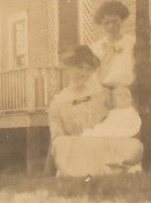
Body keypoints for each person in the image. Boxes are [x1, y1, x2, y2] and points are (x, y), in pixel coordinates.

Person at [46, 47, 143, 176]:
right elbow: (57, 138)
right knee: (61, 145)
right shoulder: (58, 101)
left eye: (88, 69)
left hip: (102, 145)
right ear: (69, 68)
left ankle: (87, 172)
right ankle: (111, 170)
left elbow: (122, 118)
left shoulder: (103, 94)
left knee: (135, 146)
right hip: (77, 147)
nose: (83, 73)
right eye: (79, 67)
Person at [88, 0, 135, 90]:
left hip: (128, 92)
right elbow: (92, 75)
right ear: (101, 23)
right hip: (102, 92)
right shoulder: (95, 48)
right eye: (106, 23)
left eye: (114, 21)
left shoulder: (133, 43)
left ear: (122, 20)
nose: (111, 26)